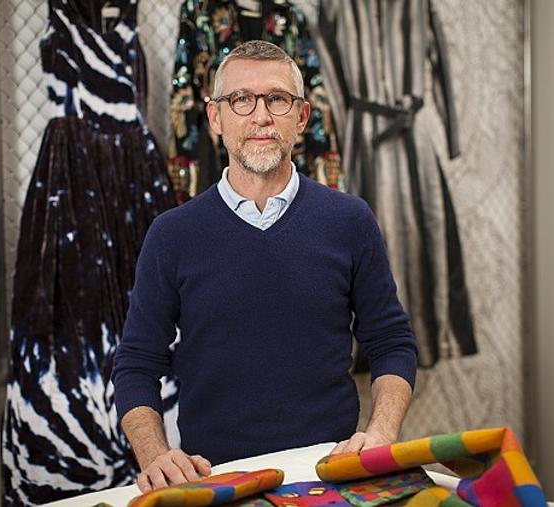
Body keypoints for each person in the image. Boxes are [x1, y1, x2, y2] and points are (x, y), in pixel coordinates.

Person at [112, 40, 418, 493]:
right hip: (215, 479)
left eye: (277, 99)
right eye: (241, 100)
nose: (261, 116)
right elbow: (136, 363)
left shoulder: (350, 220)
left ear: (301, 117)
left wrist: (380, 436)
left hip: (329, 473)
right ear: (215, 117)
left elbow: (392, 341)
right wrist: (156, 456)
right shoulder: (171, 234)